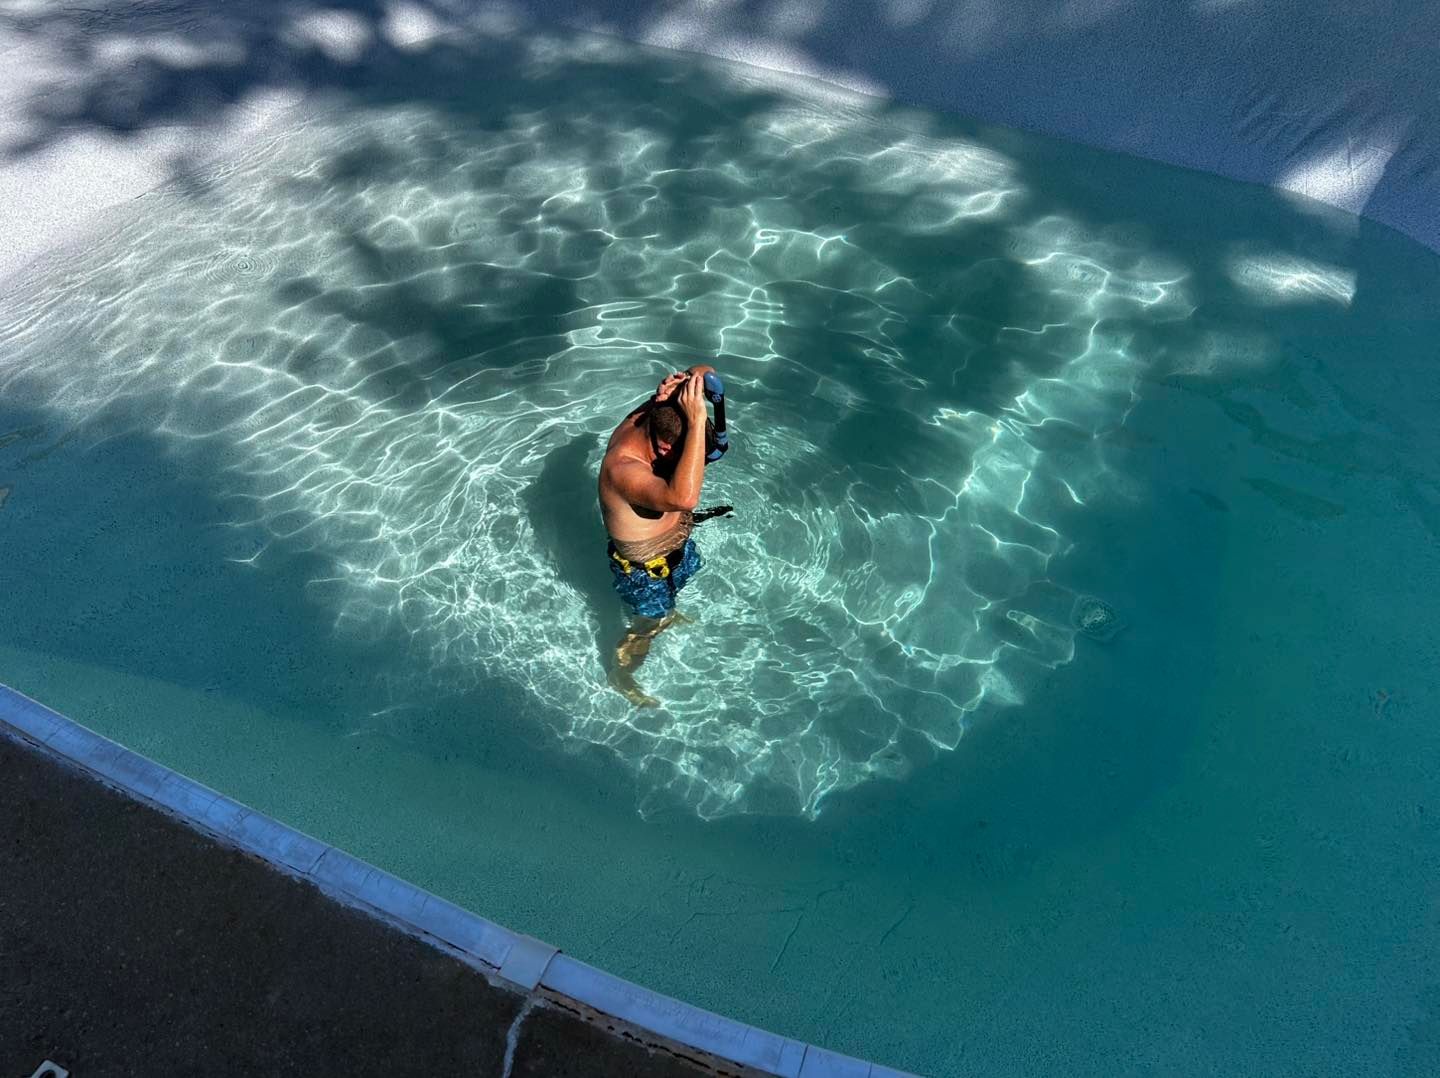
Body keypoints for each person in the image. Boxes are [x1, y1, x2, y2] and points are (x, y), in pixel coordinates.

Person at [598, 365, 716, 707]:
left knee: (666, 609)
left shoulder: (650, 413)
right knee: (648, 624)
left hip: (671, 557)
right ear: (666, 448)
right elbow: (683, 498)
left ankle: (667, 612)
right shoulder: (624, 469)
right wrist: (695, 424)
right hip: (645, 575)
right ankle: (621, 675)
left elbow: (705, 370)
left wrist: (685, 384)